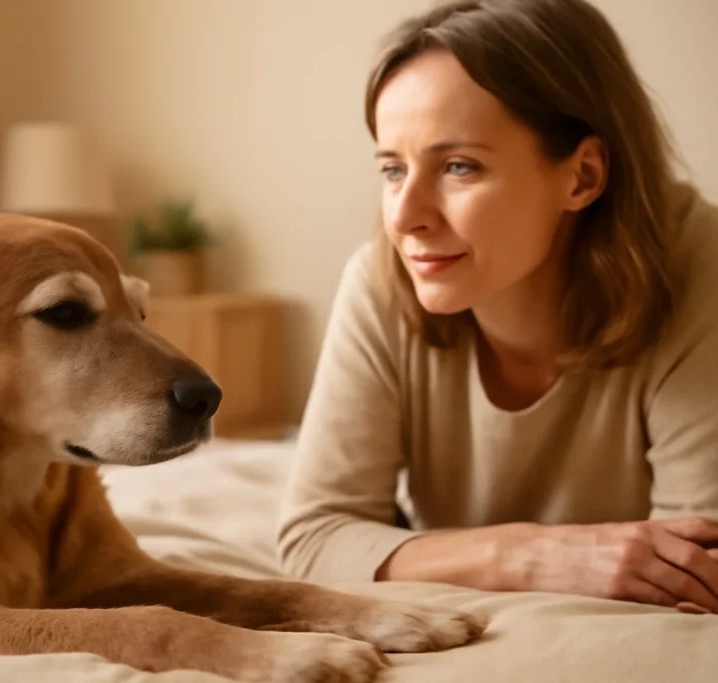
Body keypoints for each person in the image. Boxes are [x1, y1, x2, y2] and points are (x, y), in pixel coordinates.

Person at [276, 0, 718, 616]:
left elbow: (698, 574)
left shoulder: (702, 271)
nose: (404, 218)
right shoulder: (381, 279)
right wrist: (529, 556)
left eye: (459, 166)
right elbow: (315, 539)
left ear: (583, 176)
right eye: (392, 169)